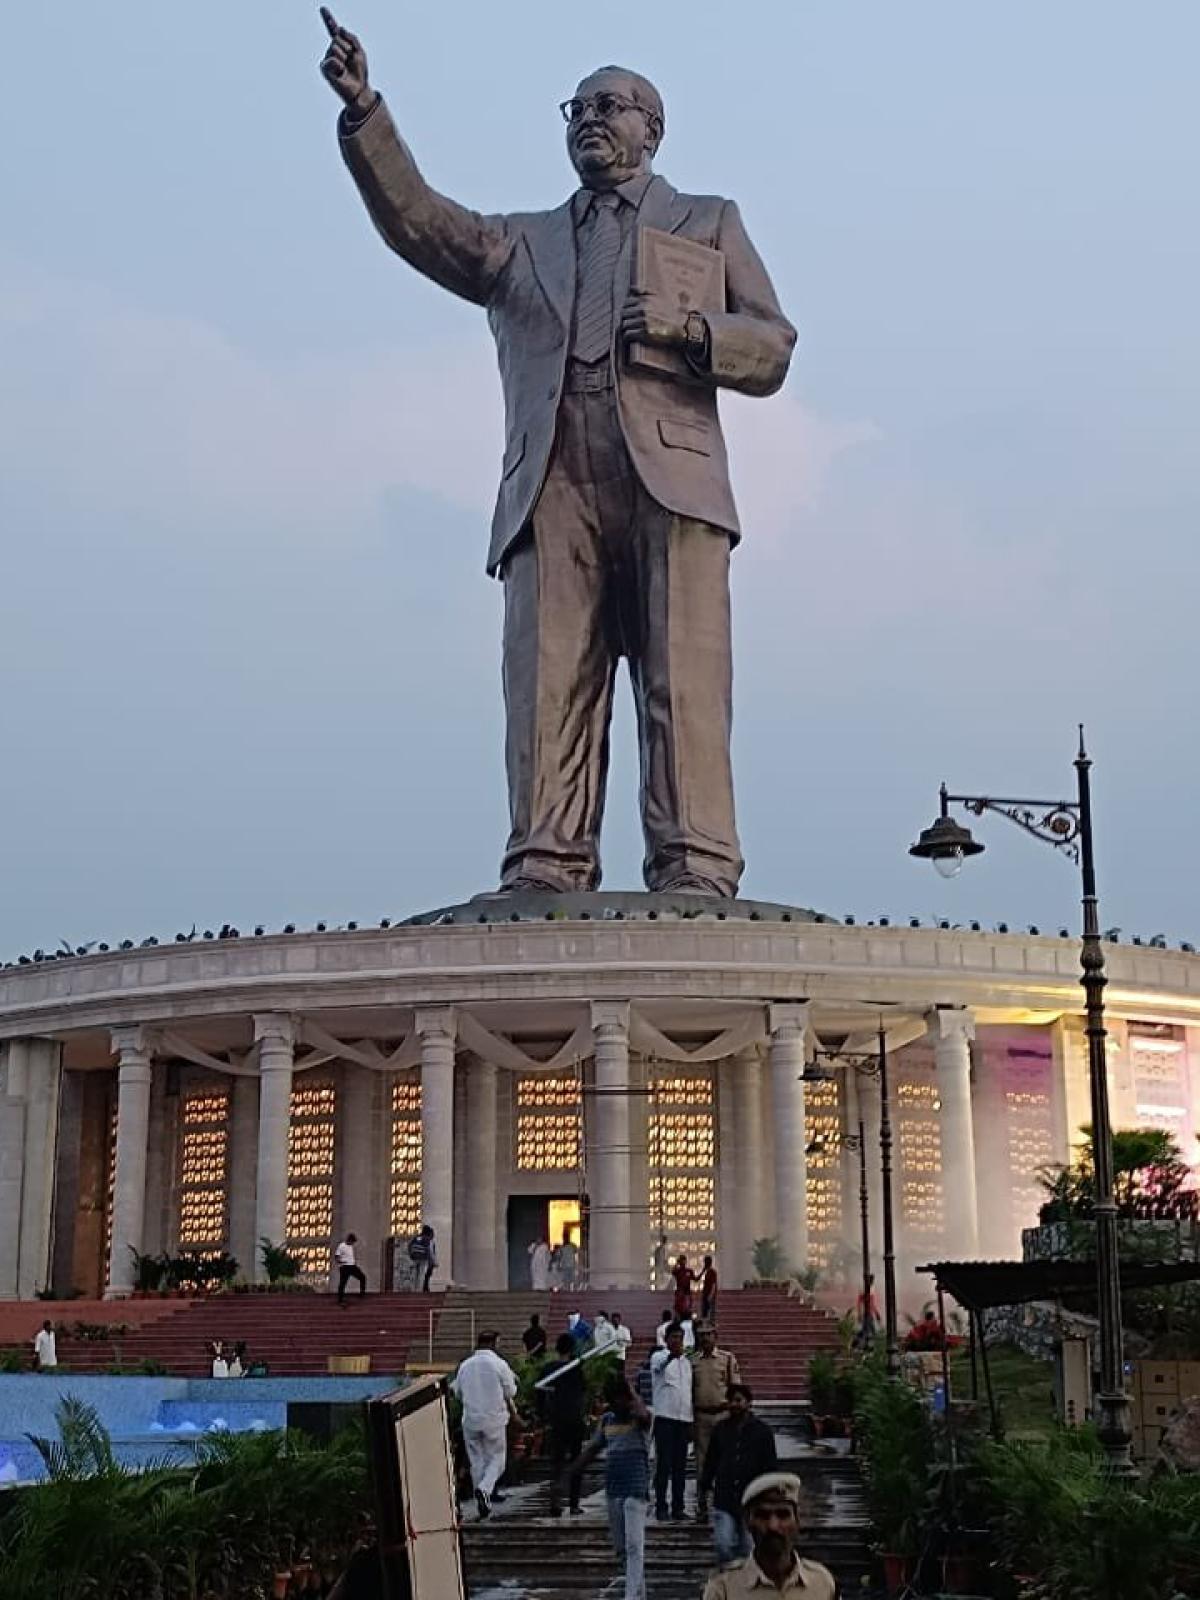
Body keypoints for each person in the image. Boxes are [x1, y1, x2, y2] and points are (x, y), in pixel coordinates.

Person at [320, 24, 795, 900]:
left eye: (609, 107)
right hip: (553, 471)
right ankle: (546, 860)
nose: (590, 122)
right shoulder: (521, 242)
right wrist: (366, 116)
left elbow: (773, 346)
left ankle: (694, 862)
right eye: (577, 109)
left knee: (680, 684)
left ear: (653, 129)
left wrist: (691, 332)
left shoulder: (709, 221)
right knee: (548, 681)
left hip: (672, 472)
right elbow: (424, 224)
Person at [571, 1375, 652, 1600]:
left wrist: (631, 1392)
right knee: (622, 1548)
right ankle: (639, 1593)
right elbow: (592, 1449)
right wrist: (571, 1472)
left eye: (622, 1399)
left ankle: (631, 1596)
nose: (618, 1404)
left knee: (635, 1545)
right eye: (614, 1400)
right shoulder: (607, 1420)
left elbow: (645, 1415)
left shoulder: (640, 1418)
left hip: (636, 1488)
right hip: (614, 1489)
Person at [702, 1473, 836, 1600]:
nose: (773, 1526)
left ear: (797, 1521)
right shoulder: (724, 1587)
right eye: (763, 1515)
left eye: (783, 1515)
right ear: (748, 1523)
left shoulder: (822, 1583)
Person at [699, 1385, 777, 1566]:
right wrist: (705, 1484)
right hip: (724, 1497)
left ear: (749, 1403)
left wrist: (768, 1492)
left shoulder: (762, 1431)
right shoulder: (720, 1429)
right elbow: (711, 1459)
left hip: (751, 1499)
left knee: (749, 1548)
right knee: (723, 1544)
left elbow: (770, 1464)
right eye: (731, 1400)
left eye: (739, 1400)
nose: (734, 1404)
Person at [450, 1330, 519, 1519]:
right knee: (497, 1459)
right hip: (493, 1419)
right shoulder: (498, 1364)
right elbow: (511, 1391)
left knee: (477, 1461)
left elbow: (457, 1393)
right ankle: (484, 1489)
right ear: (494, 1343)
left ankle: (482, 1502)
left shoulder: (465, 1366)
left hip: (471, 1419)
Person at [692, 1323, 741, 1520]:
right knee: (702, 1462)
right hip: (701, 1416)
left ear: (715, 1336)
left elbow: (735, 1389)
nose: (705, 1339)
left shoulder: (726, 1359)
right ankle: (702, 1504)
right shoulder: (693, 1361)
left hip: (723, 1415)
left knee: (725, 1460)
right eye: (701, 1335)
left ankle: (725, 1503)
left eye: (708, 1335)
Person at [539, 1332, 589, 1516]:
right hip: (574, 1419)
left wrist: (543, 1416)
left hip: (557, 1420)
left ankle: (556, 1502)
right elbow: (584, 1391)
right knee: (576, 1461)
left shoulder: (549, 1368)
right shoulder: (576, 1369)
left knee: (557, 1463)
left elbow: (540, 1395)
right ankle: (573, 1504)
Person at [649, 1322, 693, 1521]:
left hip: (683, 1419)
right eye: (673, 1337)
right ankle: (661, 1505)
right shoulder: (658, 1357)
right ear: (666, 1340)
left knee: (680, 1466)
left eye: (679, 1337)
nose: (677, 1341)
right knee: (664, 1464)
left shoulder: (687, 1363)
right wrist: (670, 1357)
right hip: (665, 1417)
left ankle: (678, 1506)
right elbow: (658, 1368)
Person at [335, 1233, 368, 1304]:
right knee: (343, 1283)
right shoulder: (341, 1246)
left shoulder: (351, 1247)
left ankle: (362, 1294)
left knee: (362, 1277)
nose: (352, 1244)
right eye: (352, 1242)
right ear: (349, 1240)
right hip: (345, 1267)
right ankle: (340, 1299)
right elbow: (337, 1256)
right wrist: (341, 1262)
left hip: (352, 1266)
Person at [408, 1224, 438, 1292]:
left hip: (414, 1257)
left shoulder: (416, 1238)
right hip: (423, 1258)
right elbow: (429, 1250)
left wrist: (411, 1255)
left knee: (415, 1274)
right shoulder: (428, 1239)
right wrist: (433, 1262)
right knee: (421, 1274)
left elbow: (410, 1246)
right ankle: (419, 1290)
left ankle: (414, 1289)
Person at [854, 1274, 880, 1347]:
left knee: (867, 1330)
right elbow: (860, 1303)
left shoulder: (871, 1289)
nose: (872, 1281)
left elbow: (872, 1304)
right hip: (866, 1313)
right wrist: (859, 1314)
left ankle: (857, 1342)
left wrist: (876, 1313)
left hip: (869, 1313)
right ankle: (858, 1343)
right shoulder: (864, 1291)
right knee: (868, 1330)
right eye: (871, 1280)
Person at [671, 1254, 695, 1321]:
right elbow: (673, 1272)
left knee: (687, 1307)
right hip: (680, 1292)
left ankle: (687, 1318)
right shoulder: (677, 1271)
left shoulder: (689, 1271)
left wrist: (703, 1271)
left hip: (687, 1292)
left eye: (684, 1260)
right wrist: (676, 1263)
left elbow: (695, 1279)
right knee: (678, 1307)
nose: (683, 1262)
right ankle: (678, 1319)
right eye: (681, 1260)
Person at [700, 1254, 719, 1322]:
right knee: (704, 1310)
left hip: (709, 1295)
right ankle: (705, 1322)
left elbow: (714, 1284)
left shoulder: (712, 1272)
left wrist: (711, 1295)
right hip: (705, 1294)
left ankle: (711, 1322)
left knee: (710, 1310)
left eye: (706, 1262)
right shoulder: (707, 1272)